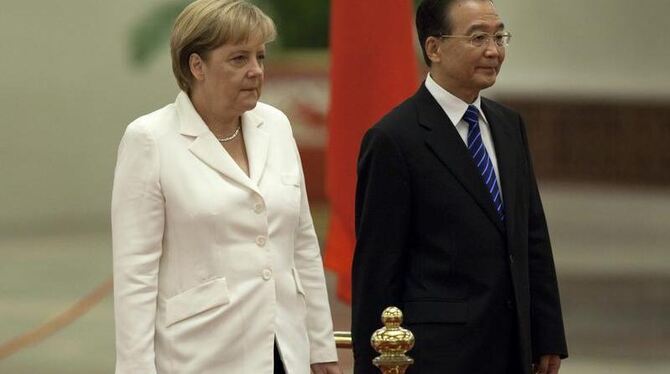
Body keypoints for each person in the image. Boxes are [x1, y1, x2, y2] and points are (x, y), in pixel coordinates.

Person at [111, 1, 341, 373]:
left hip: (285, 347)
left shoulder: (277, 125)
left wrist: (321, 345)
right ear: (196, 66)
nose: (255, 71)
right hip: (201, 353)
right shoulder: (150, 139)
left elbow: (302, 243)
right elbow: (135, 274)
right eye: (238, 59)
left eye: (260, 57)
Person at [351, 1, 568, 373]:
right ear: (433, 48)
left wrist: (547, 334)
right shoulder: (394, 138)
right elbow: (377, 266)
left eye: (500, 37)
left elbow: (531, 235)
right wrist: (374, 363)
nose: (494, 50)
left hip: (512, 348)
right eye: (478, 37)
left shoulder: (507, 125)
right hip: (437, 354)